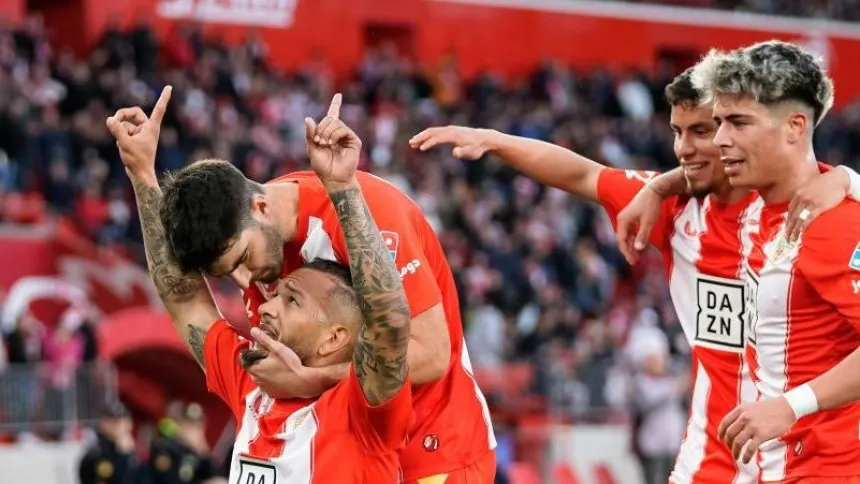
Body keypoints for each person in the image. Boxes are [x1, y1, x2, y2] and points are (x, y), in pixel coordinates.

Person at [408, 65, 860, 483]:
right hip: (708, 462)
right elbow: (584, 175)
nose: (685, 147)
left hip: (814, 457)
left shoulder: (809, 212)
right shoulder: (675, 210)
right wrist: (495, 140)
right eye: (678, 132)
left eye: (705, 130)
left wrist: (846, 178)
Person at [156, 95, 496, 483]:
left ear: (263, 208)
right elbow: (183, 299)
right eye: (226, 273)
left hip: (432, 454)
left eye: (242, 259)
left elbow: (432, 354)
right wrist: (141, 173)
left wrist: (311, 378)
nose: (244, 282)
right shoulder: (256, 234)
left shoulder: (369, 215)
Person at [108, 86, 416, 482]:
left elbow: (390, 323)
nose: (266, 305)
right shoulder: (252, 385)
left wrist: (343, 190)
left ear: (335, 337)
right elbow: (183, 298)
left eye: (292, 301)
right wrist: (141, 173)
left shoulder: (362, 411)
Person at [678, 41, 860, 483]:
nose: (720, 139)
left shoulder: (832, 224)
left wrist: (790, 406)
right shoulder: (760, 211)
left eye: (739, 122)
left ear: (795, 127)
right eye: (719, 123)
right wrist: (654, 191)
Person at [78, 401, 141, 484]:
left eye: (122, 421)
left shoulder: (133, 448)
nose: (120, 426)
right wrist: (122, 455)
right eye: (114, 422)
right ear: (103, 423)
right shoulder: (99, 452)